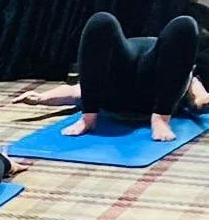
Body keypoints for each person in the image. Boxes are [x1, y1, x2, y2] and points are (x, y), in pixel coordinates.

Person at [14, 11, 209, 141]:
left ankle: (160, 118)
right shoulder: (118, 63)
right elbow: (77, 90)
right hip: (118, 89)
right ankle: (88, 117)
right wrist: (42, 98)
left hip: (156, 95)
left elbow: (201, 101)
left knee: (185, 25)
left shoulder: (181, 73)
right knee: (102, 21)